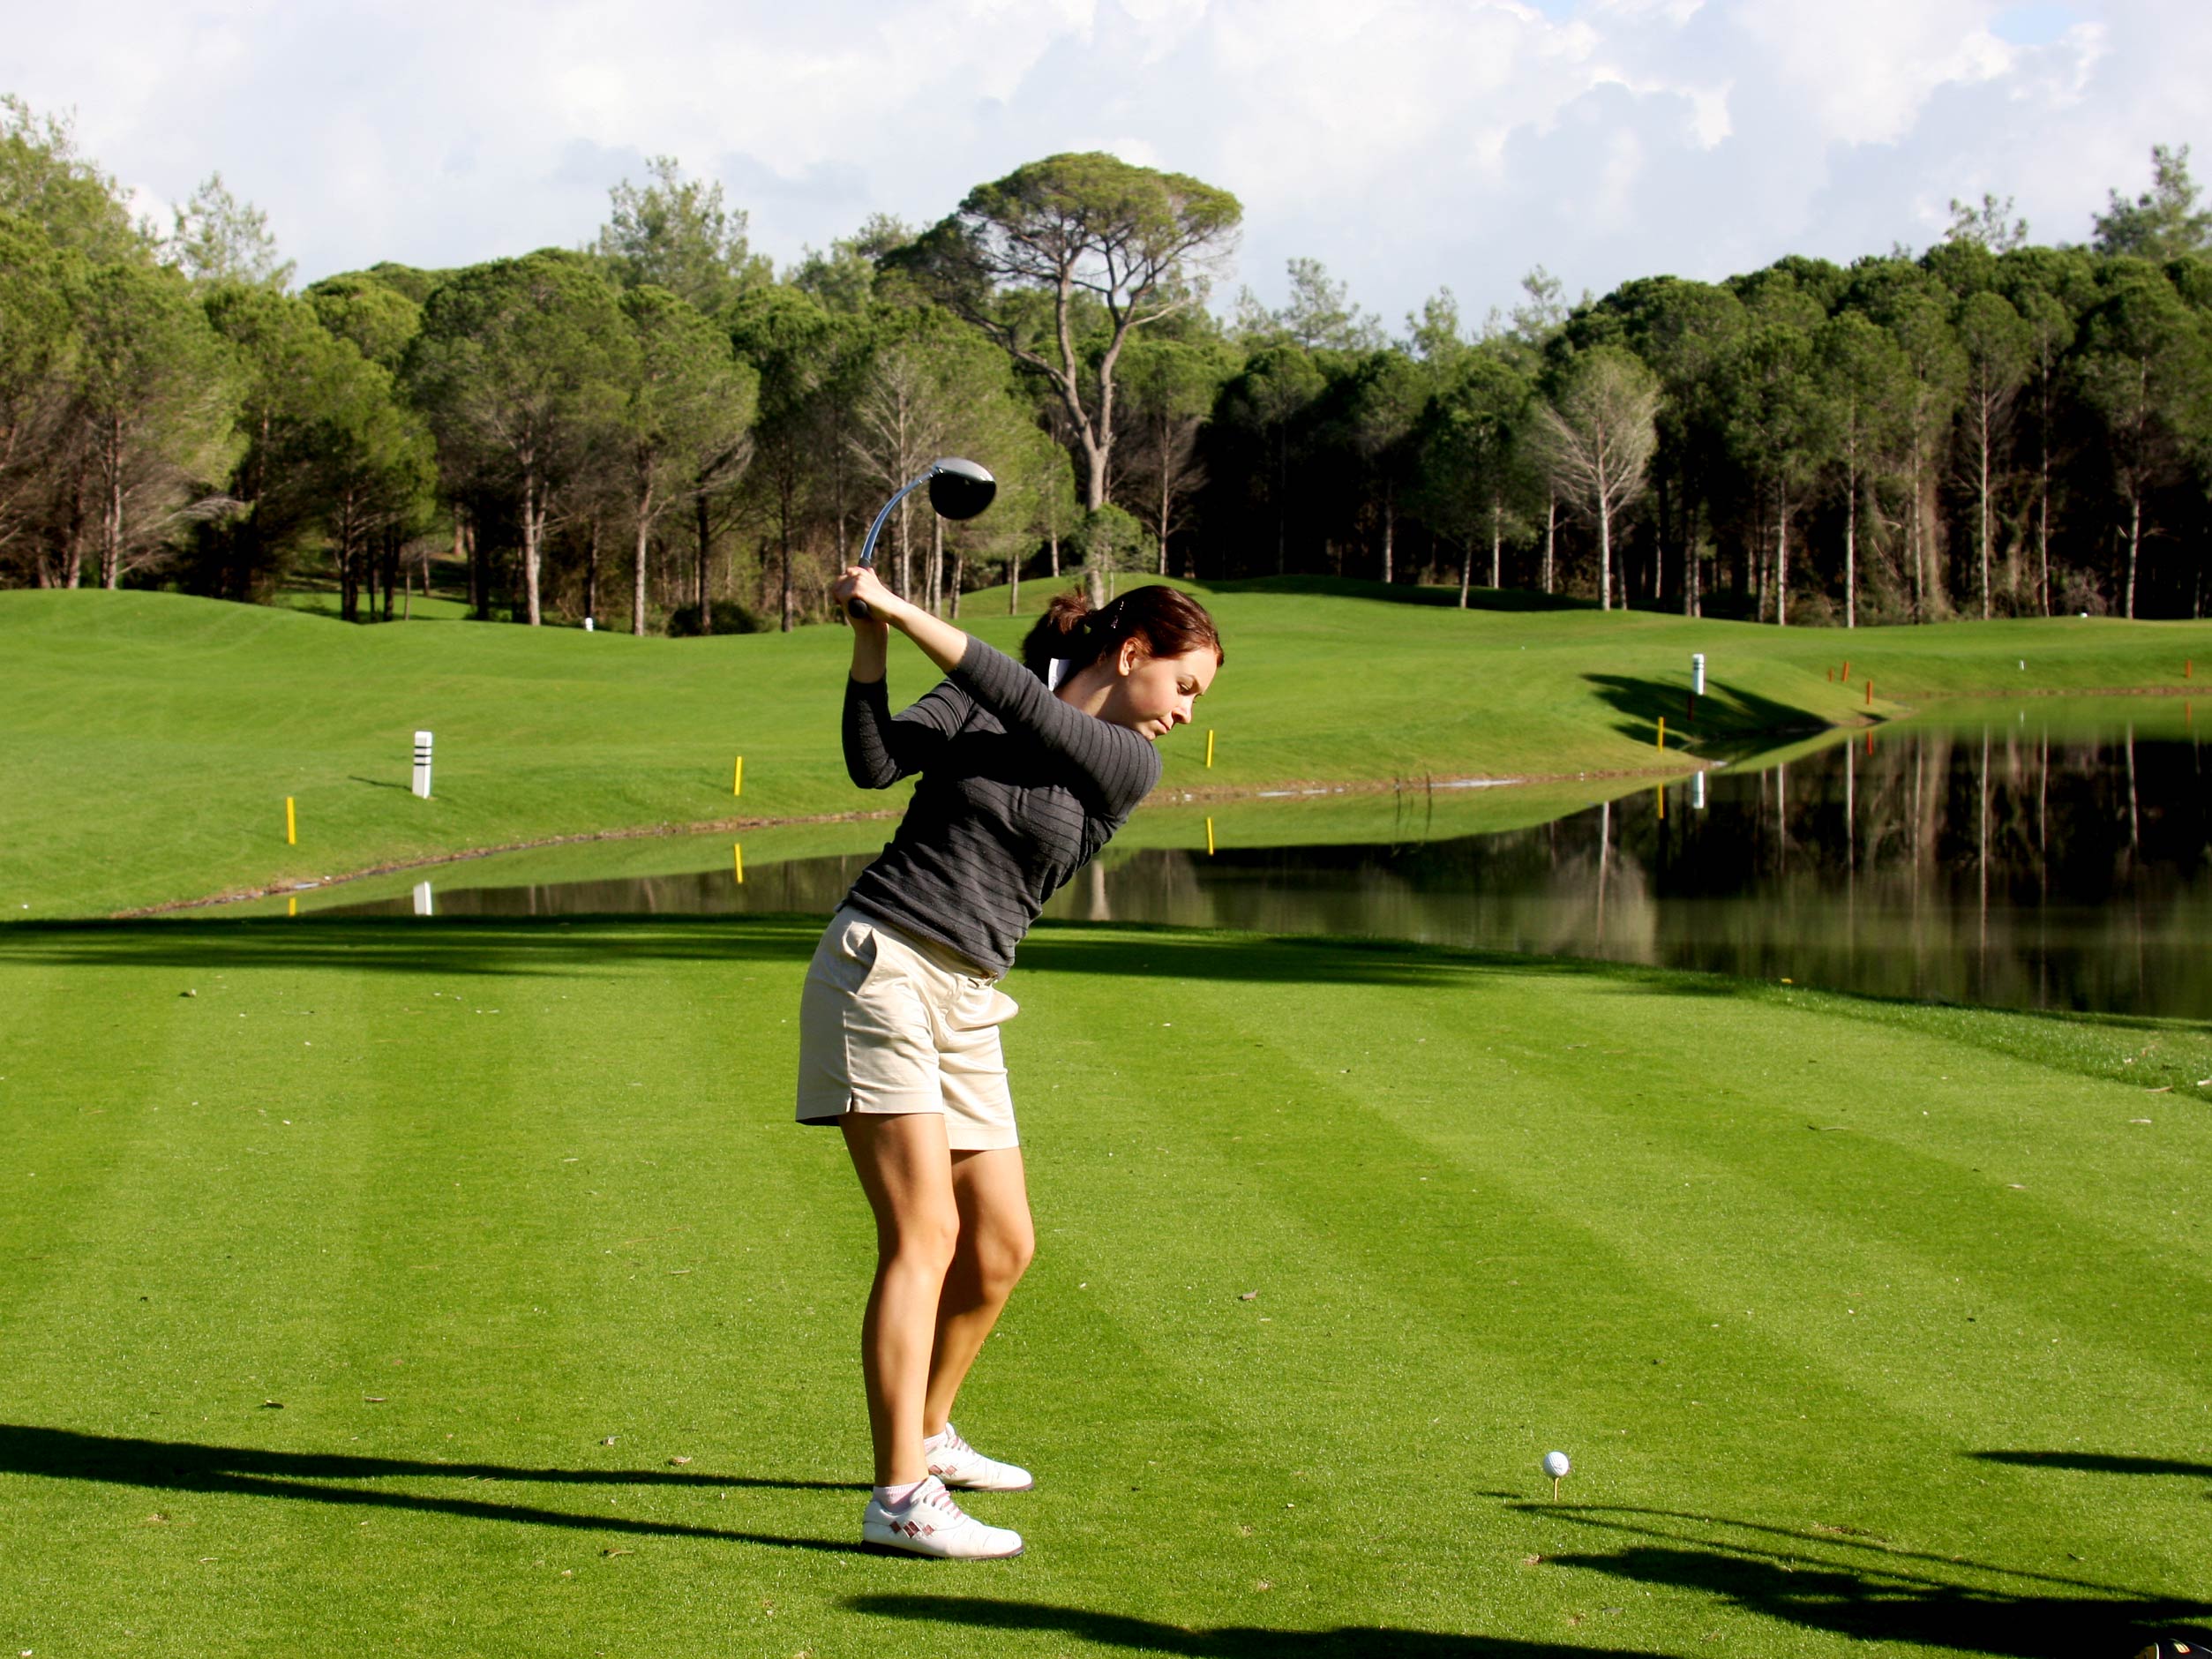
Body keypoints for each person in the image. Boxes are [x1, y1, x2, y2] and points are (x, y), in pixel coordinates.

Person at [798, 565, 1223, 1558]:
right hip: (882, 964)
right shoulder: (985, 696)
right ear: (1131, 654)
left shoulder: (1125, 762)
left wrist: (902, 609)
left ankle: (927, 1431)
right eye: (1184, 685)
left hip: (969, 996)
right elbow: (875, 761)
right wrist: (870, 643)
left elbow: (1029, 704)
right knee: (925, 1233)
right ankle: (898, 1496)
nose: (1185, 713)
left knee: (1000, 1246)